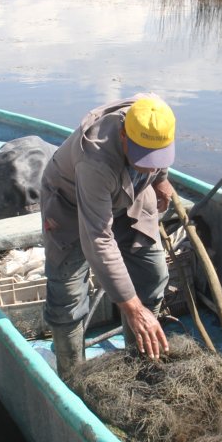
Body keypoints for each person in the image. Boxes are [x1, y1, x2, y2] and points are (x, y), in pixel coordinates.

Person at [39, 94, 177, 373]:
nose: (151, 166)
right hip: (70, 206)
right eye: (145, 158)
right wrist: (134, 309)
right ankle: (72, 375)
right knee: (68, 298)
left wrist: (161, 181)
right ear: (125, 136)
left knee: (153, 276)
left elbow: (157, 161)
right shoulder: (95, 161)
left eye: (156, 159)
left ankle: (139, 364)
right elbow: (99, 240)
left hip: (130, 195)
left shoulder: (154, 118)